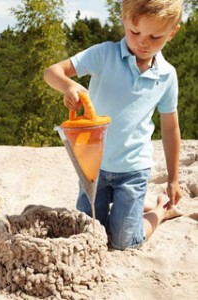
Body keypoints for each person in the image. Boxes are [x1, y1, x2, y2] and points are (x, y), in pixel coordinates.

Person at [44, 0, 183, 250]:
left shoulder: (167, 75)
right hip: (92, 166)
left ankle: (160, 211)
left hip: (133, 170)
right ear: (124, 19)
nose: (143, 42)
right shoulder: (104, 54)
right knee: (88, 233)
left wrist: (173, 179)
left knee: (122, 242)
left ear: (172, 32)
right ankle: (134, 205)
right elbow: (52, 71)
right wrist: (68, 85)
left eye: (155, 36)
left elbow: (171, 129)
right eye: (135, 32)